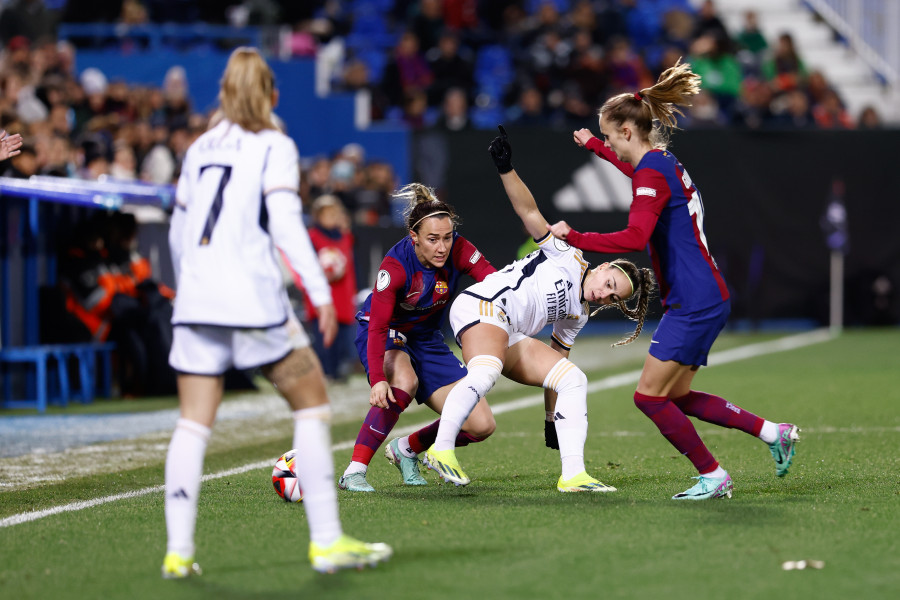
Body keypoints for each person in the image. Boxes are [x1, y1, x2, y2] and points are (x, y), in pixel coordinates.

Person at [162, 47, 391, 578]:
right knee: (310, 405)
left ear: (223, 93)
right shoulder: (275, 144)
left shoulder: (197, 148)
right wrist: (316, 292)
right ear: (273, 96)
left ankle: (177, 552)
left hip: (196, 301)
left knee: (193, 423)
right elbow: (288, 223)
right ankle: (327, 541)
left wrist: (187, 284)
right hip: (251, 300)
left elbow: (178, 232)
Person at [547, 59, 800, 500]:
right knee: (676, 395)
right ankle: (771, 432)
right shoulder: (662, 162)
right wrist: (596, 148)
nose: (610, 143)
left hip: (694, 300)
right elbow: (635, 171)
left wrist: (576, 236)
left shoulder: (651, 171)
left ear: (627, 131)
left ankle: (713, 475)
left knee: (647, 398)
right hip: (704, 294)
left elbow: (636, 235)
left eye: (610, 136)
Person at [423, 126, 655, 493]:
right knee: (486, 371)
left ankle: (573, 475)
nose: (604, 295)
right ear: (604, 267)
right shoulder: (569, 257)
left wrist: (551, 417)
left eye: (613, 298)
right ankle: (441, 449)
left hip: (508, 330)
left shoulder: (578, 314)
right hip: (481, 306)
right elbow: (529, 211)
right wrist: (506, 168)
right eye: (609, 285)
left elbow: (556, 361)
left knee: (573, 379)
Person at [338, 182, 498, 492]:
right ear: (414, 239)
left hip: (425, 338)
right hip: (384, 333)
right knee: (404, 381)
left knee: (481, 424)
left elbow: (495, 285)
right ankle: (354, 471)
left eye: (447, 238)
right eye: (433, 239)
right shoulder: (395, 267)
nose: (442, 247)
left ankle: (408, 448)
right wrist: (376, 378)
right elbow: (378, 327)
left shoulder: (460, 250)